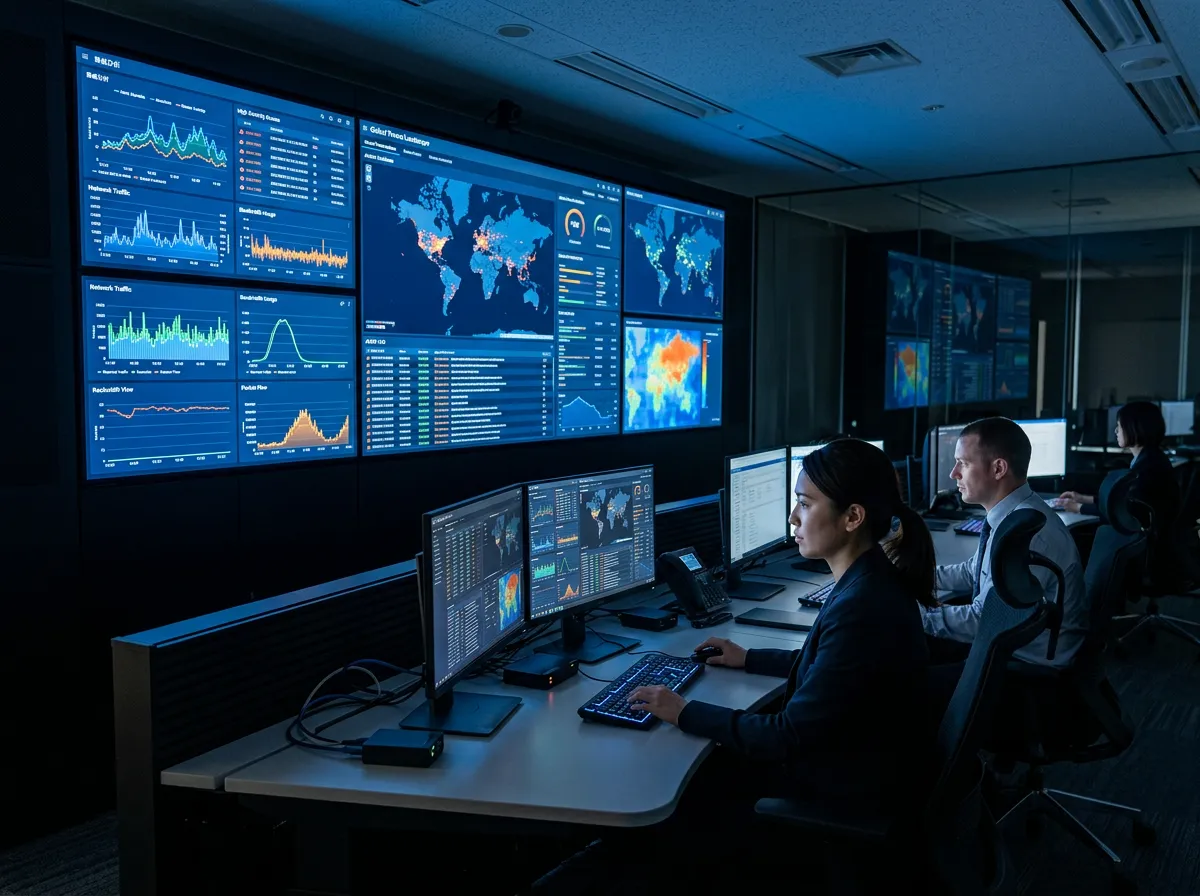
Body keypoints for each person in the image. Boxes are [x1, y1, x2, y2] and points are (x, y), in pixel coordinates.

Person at [628, 438, 937, 805]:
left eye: (805, 504)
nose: (792, 517)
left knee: (681, 777)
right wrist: (750, 658)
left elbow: (785, 736)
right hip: (866, 765)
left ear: (853, 517)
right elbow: (832, 669)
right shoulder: (868, 581)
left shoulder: (862, 606)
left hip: (843, 787)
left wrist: (684, 711)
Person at [924, 417, 1086, 667]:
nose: (953, 473)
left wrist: (915, 614)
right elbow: (973, 572)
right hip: (1010, 641)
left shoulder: (1028, 535)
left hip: (1026, 662)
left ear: (998, 469)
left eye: (963, 463)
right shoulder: (1011, 517)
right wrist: (914, 575)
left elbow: (985, 620)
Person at [1056, 401, 1181, 587]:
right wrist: (1083, 498)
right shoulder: (1150, 459)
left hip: (1151, 550)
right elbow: (1124, 501)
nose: (1116, 431)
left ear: (1134, 429)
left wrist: (1079, 508)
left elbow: (1125, 511)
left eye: (1119, 426)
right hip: (1159, 541)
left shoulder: (1149, 468)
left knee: (1089, 540)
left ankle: (1091, 604)